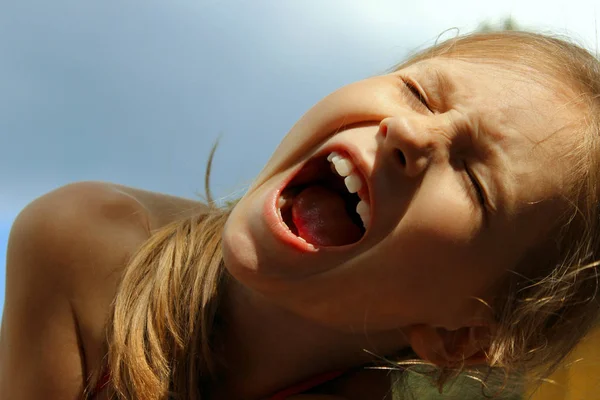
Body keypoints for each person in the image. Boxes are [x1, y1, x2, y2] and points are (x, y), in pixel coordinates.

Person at [2, 30, 600, 400]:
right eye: (418, 93)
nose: (409, 130)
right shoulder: (83, 245)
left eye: (473, 178)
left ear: (463, 338)